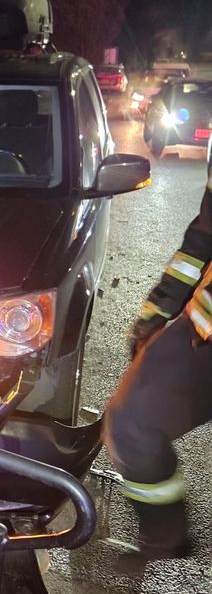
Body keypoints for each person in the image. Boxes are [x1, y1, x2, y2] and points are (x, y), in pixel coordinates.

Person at [103, 159, 212, 563]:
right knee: (131, 423)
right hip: (203, 331)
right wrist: (162, 307)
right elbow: (205, 235)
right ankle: (165, 539)